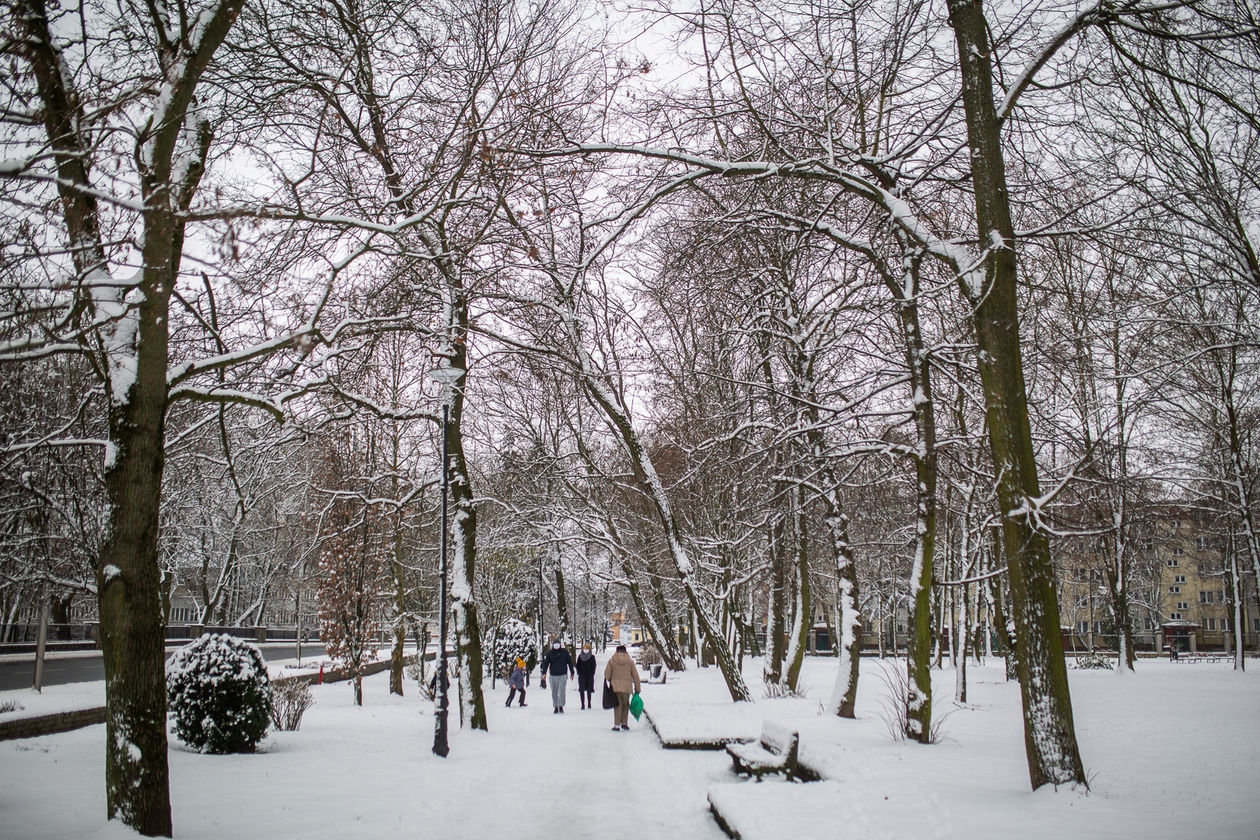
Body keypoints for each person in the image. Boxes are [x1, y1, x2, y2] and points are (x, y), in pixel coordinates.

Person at [603, 644, 641, 731]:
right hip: (627, 687)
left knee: (617, 705)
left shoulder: (611, 661)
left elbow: (607, 675)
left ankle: (617, 725)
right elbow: (635, 675)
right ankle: (624, 723)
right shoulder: (630, 661)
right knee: (625, 705)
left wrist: (610, 680)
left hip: (615, 687)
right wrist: (637, 688)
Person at [540, 637, 575, 713]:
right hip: (553, 675)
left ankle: (561, 705)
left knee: (562, 691)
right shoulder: (550, 653)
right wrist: (544, 673)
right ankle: (555, 706)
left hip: (563, 674)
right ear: (553, 645)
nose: (556, 645)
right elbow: (546, 663)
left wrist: (572, 672)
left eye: (557, 644)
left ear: (560, 644)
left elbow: (570, 662)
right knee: (554, 692)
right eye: (555, 644)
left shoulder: (565, 652)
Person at [575, 643, 597, 709]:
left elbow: (594, 666)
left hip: (589, 675)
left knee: (589, 690)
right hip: (582, 675)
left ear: (589, 649)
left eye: (587, 648)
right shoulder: (580, 657)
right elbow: (577, 665)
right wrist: (578, 672)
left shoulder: (592, 657)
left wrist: (592, 674)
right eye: (584, 648)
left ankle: (589, 703)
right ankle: (582, 704)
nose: (585, 650)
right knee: (581, 690)